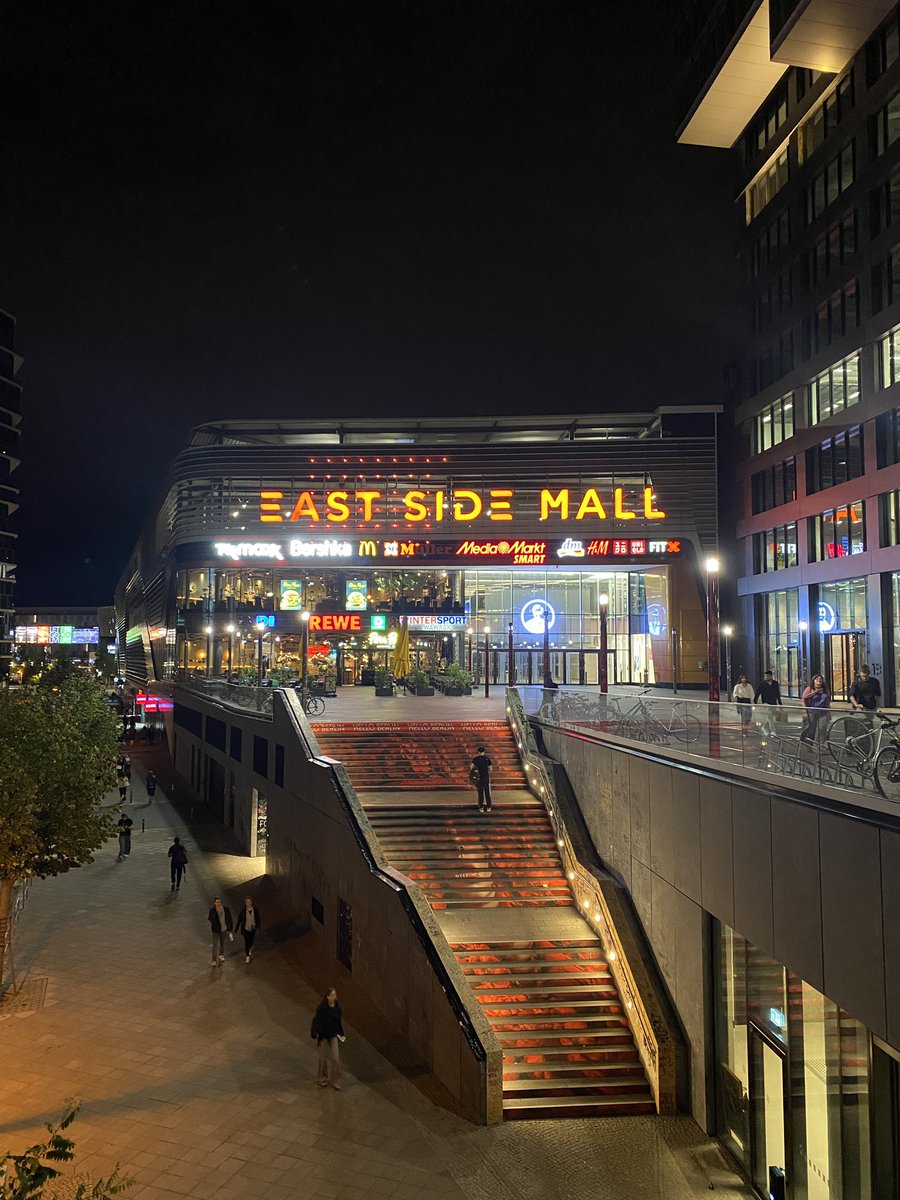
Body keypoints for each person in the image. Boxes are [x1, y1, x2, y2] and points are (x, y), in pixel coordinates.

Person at [311, 987, 346, 1089]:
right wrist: (316, 1032)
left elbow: (338, 1023)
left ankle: (335, 1081)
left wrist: (341, 1033)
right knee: (323, 1058)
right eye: (332, 995)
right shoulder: (322, 1009)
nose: (334, 997)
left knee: (335, 1058)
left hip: (333, 1035)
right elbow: (317, 1021)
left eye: (335, 995)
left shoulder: (337, 1009)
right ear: (328, 997)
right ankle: (322, 1078)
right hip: (323, 1036)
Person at [801, 674, 830, 745]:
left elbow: (828, 700)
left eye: (820, 679)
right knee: (811, 729)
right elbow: (804, 698)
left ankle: (819, 745)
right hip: (812, 711)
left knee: (822, 729)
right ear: (813, 681)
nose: (819, 681)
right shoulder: (809, 688)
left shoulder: (825, 689)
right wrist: (816, 691)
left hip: (823, 711)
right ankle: (809, 743)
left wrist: (829, 711)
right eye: (817, 679)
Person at [753, 669, 783, 734]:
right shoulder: (762, 684)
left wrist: (780, 703)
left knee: (770, 717)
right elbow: (757, 693)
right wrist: (755, 701)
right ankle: (773, 730)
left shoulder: (775, 683)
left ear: (771, 676)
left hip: (773, 703)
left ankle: (764, 726)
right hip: (766, 703)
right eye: (766, 676)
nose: (767, 677)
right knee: (770, 716)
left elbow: (777, 693)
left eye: (768, 676)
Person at [207, 897, 233, 965]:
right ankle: (214, 960)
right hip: (216, 931)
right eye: (217, 902)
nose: (219, 903)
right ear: (214, 903)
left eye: (220, 902)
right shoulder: (212, 910)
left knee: (222, 943)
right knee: (215, 945)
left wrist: (230, 929)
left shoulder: (225, 909)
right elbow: (210, 919)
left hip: (224, 929)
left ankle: (221, 955)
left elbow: (229, 918)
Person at [235, 896, 261, 963]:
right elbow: (239, 921)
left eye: (249, 902)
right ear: (245, 903)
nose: (248, 903)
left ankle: (250, 948)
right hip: (246, 929)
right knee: (247, 941)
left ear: (251, 902)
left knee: (251, 940)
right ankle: (247, 956)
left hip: (253, 928)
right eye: (247, 902)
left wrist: (258, 926)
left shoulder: (255, 910)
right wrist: (236, 929)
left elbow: (257, 919)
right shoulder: (243, 912)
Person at [471, 746, 493, 813]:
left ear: (478, 752)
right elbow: (491, 768)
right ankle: (489, 807)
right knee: (487, 793)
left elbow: (471, 766)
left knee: (480, 793)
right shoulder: (487, 759)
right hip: (485, 778)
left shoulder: (476, 759)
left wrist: (475, 770)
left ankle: (481, 808)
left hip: (478, 778)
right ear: (484, 752)